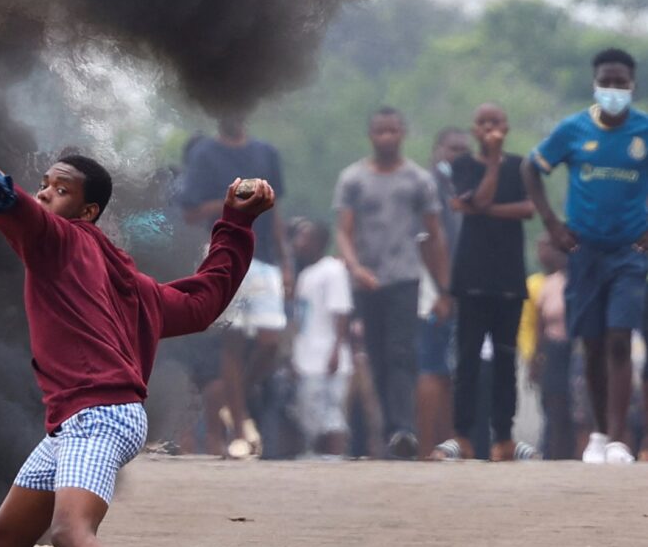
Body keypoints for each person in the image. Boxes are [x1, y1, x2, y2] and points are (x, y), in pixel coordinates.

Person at [0, 155, 273, 547]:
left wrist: (0, 193)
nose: (44, 195)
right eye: (41, 186)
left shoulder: (60, 239)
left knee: (69, 531)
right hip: (76, 420)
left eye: (58, 190)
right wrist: (237, 224)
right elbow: (203, 300)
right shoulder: (129, 283)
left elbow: (26, 218)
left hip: (97, 415)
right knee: (8, 538)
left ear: (87, 211)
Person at [522, 48, 648, 464]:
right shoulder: (574, 130)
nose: (613, 89)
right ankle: (596, 433)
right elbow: (532, 167)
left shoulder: (643, 131)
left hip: (629, 254)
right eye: (606, 82)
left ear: (633, 85)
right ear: (596, 84)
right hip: (585, 253)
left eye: (621, 82)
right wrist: (552, 224)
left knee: (618, 338)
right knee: (592, 343)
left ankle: (618, 438)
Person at [333, 107, 452, 459]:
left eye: (393, 131)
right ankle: (389, 430)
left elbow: (435, 235)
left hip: (405, 276)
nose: (387, 137)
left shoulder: (418, 180)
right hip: (367, 280)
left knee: (402, 351)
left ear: (402, 133)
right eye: (380, 131)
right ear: (371, 135)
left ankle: (404, 428)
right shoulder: (353, 179)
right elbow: (344, 229)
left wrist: (444, 289)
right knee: (379, 355)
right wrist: (355, 267)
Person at [174, 116, 292, 457]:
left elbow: (278, 209)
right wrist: (232, 201)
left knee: (271, 340)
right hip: (224, 250)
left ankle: (233, 399)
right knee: (233, 340)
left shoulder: (266, 153)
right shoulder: (204, 155)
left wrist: (286, 263)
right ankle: (240, 427)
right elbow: (191, 213)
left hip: (265, 255)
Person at [432, 103, 534, 461]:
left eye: (496, 122)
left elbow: (528, 209)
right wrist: (491, 166)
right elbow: (479, 195)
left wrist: (479, 208)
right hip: (471, 276)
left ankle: (504, 437)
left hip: (508, 277)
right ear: (474, 130)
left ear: (506, 127)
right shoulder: (463, 166)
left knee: (506, 360)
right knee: (467, 359)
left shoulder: (522, 165)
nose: (490, 128)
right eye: (483, 123)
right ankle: (463, 436)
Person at [417, 127, 471, 457]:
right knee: (432, 366)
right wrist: (443, 290)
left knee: (451, 370)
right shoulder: (429, 185)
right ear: (437, 149)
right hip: (433, 291)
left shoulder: (462, 188)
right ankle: (426, 447)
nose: (458, 156)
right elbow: (427, 242)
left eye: (464, 150)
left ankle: (448, 443)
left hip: (457, 289)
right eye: (453, 149)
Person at [290, 219, 353, 457]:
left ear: (318, 242)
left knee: (332, 413)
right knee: (309, 413)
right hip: (307, 356)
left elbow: (341, 311)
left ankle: (335, 457)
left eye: (303, 238)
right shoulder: (306, 274)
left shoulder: (333, 271)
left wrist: (337, 349)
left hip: (328, 356)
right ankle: (315, 457)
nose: (298, 243)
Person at [528, 234, 574, 460]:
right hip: (553, 351)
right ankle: (553, 457)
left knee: (576, 411)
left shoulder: (581, 280)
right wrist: (535, 360)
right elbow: (539, 325)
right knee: (554, 408)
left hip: (577, 351)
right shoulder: (549, 284)